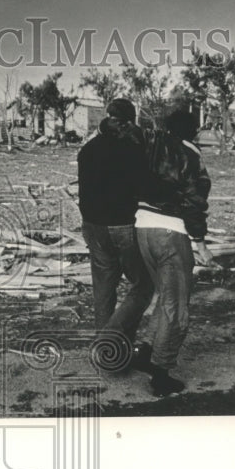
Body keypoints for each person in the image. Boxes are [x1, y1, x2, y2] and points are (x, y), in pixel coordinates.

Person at [134, 107, 212, 397]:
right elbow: (194, 201)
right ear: (195, 131)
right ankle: (161, 373)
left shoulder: (151, 149)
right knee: (177, 306)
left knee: (164, 296)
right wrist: (200, 242)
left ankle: (145, 349)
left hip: (142, 228)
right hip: (171, 232)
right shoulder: (190, 155)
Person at [77, 98, 155, 374]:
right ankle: (109, 341)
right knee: (144, 284)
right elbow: (145, 187)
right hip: (122, 225)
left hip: (92, 225)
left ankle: (110, 359)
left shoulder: (88, 149)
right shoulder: (131, 149)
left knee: (104, 289)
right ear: (129, 122)